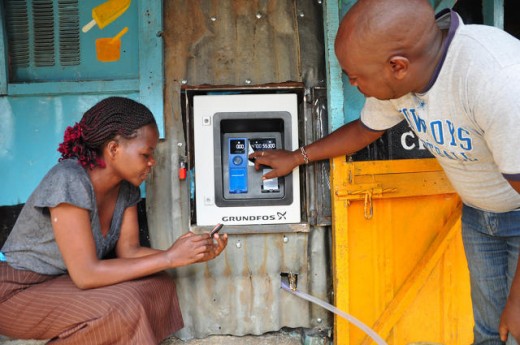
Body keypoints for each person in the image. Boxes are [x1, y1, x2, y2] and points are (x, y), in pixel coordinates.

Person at [249, 0, 520, 344]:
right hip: (481, 216)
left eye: (357, 77)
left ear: (398, 66)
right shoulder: (406, 77)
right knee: (488, 333)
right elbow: (365, 129)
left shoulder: (496, 80)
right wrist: (297, 156)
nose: (353, 83)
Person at [0, 96, 228, 344]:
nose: (152, 162)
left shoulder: (126, 190)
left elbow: (129, 252)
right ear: (113, 149)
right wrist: (170, 257)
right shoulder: (69, 180)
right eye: (146, 153)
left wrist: (188, 253)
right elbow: (86, 275)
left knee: (158, 285)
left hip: (58, 284)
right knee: (124, 307)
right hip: (16, 290)